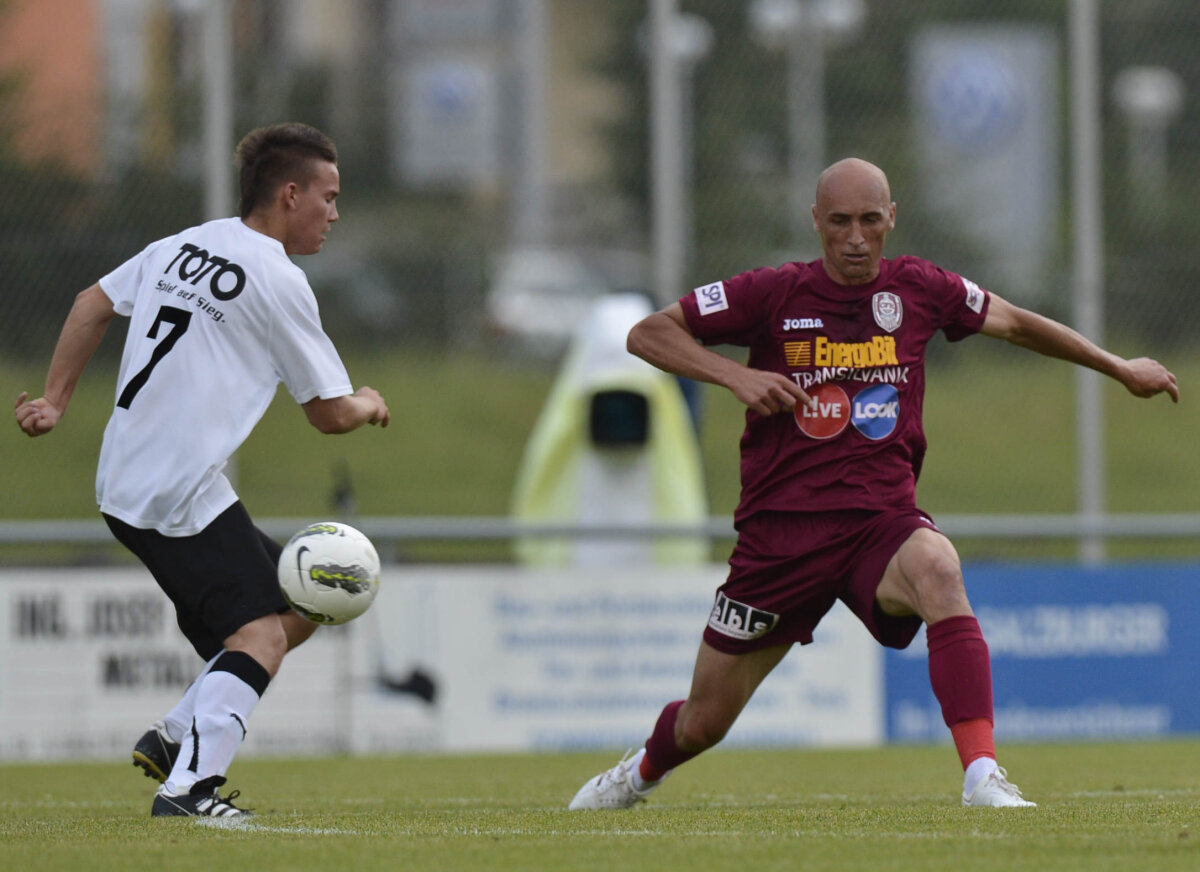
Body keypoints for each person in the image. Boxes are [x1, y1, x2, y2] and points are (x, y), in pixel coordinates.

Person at [567, 157, 1179, 811]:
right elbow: (648, 333)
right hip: (781, 536)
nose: (855, 238)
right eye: (839, 222)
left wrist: (1118, 366)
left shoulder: (921, 288)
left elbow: (1018, 323)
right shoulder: (771, 294)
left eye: (868, 220)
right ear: (816, 221)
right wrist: (735, 375)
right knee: (704, 722)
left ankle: (982, 777)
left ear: (891, 218)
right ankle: (638, 773)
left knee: (938, 569)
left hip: (878, 525)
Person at [14, 122, 390, 818]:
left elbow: (90, 304)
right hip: (172, 490)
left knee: (302, 603)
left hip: (140, 476)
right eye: (329, 197)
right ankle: (190, 790)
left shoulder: (185, 243)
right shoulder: (278, 279)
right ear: (290, 194)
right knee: (261, 637)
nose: (335, 213)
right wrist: (368, 402)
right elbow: (329, 414)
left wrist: (56, 402)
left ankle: (176, 734)